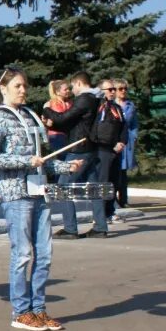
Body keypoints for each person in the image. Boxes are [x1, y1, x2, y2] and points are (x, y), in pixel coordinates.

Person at [0, 67, 82, 331]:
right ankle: (20, 311)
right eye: (18, 86)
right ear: (3, 88)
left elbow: (43, 161)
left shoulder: (31, 115)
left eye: (25, 86)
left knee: (45, 254)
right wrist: (25, 161)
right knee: (23, 253)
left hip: (40, 192)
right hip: (16, 195)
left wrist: (64, 167)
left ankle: (39, 309)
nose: (23, 90)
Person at [44, 71, 110, 238]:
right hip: (91, 147)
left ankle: (71, 228)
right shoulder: (97, 98)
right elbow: (75, 125)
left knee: (62, 187)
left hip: (79, 149)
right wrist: (55, 125)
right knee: (93, 188)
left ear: (79, 84)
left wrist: (47, 110)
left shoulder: (85, 99)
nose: (72, 90)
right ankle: (101, 227)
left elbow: (64, 118)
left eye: (73, 86)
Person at [95, 78, 129, 222]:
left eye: (114, 89)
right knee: (103, 182)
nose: (113, 92)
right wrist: (110, 144)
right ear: (101, 91)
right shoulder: (98, 108)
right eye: (110, 90)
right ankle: (100, 214)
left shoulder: (116, 108)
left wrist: (122, 141)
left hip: (116, 150)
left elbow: (123, 127)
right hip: (102, 150)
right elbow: (98, 130)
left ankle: (110, 211)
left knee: (114, 182)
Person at [113, 79, 139, 213]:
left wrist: (134, 137)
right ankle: (113, 199)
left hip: (127, 141)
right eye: (120, 88)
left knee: (123, 172)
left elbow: (134, 123)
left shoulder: (130, 105)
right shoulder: (110, 105)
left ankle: (124, 199)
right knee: (114, 171)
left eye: (125, 88)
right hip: (113, 140)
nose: (123, 91)